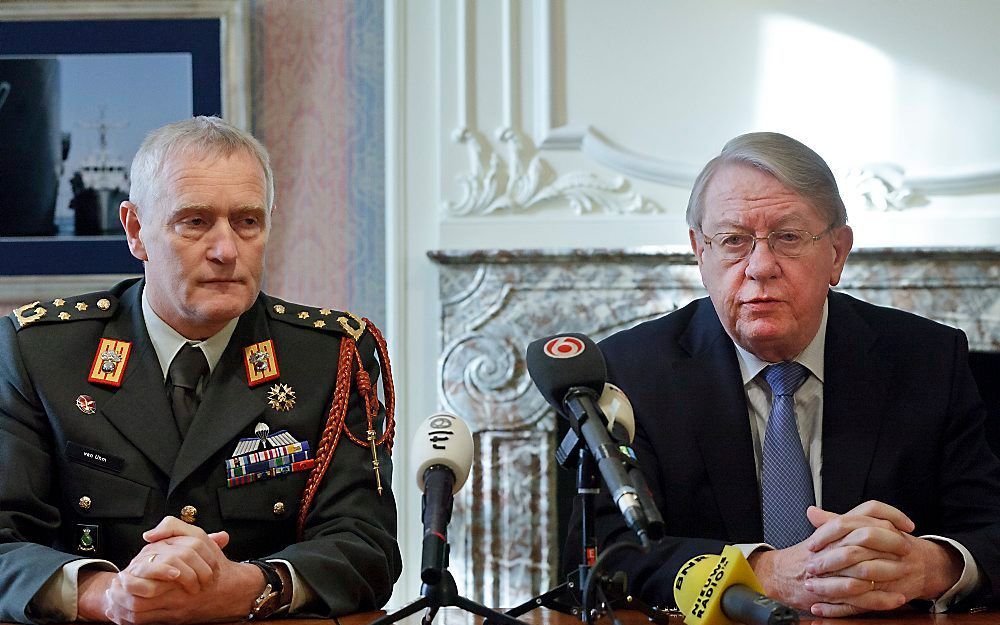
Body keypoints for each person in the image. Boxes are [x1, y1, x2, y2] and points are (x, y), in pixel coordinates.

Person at [566, 132, 1000, 618]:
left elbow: (991, 526)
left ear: (837, 253)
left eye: (788, 238)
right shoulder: (631, 371)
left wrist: (934, 566)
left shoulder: (926, 359)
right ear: (700, 253)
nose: (760, 267)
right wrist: (763, 573)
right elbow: (607, 552)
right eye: (733, 241)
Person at [0, 116, 401, 624]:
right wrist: (106, 594)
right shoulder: (41, 353)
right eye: (195, 221)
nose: (226, 250)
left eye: (247, 222)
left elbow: (368, 547)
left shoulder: (332, 357)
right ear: (136, 230)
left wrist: (251, 586)